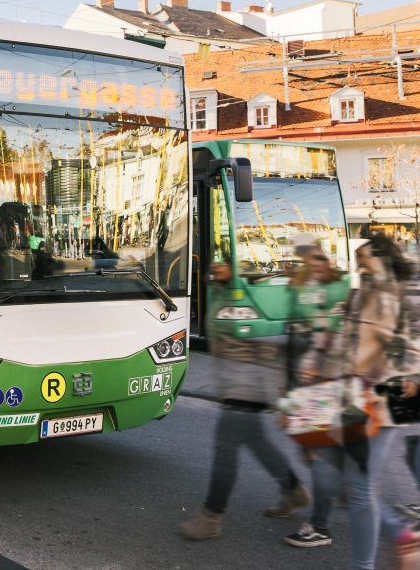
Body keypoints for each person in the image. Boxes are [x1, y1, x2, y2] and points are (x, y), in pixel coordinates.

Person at [285, 234, 420, 568]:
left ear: (383, 257)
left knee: (360, 488)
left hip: (383, 401)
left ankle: (364, 563)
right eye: (358, 259)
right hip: (344, 395)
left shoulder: (403, 296)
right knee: (328, 472)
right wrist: (316, 367)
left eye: (364, 257)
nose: (359, 263)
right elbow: (339, 339)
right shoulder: (359, 294)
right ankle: (393, 532)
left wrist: (412, 375)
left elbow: (415, 341)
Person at [179, 254, 310, 540]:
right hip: (235, 384)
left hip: (250, 384)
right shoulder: (220, 291)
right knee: (257, 442)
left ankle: (211, 517)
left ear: (236, 264)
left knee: (225, 452)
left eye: (221, 262)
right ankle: (293, 490)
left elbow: (270, 339)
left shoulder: (248, 294)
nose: (215, 266)